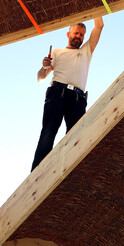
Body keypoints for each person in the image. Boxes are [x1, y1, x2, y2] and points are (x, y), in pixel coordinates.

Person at [31, 17, 104, 171]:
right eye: (76, 33)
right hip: (57, 93)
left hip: (77, 99)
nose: (79, 36)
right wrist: (44, 67)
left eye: (82, 35)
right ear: (68, 34)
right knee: (48, 132)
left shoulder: (87, 51)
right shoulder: (57, 52)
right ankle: (37, 173)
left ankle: (72, 172)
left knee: (77, 136)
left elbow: (99, 25)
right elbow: (40, 78)